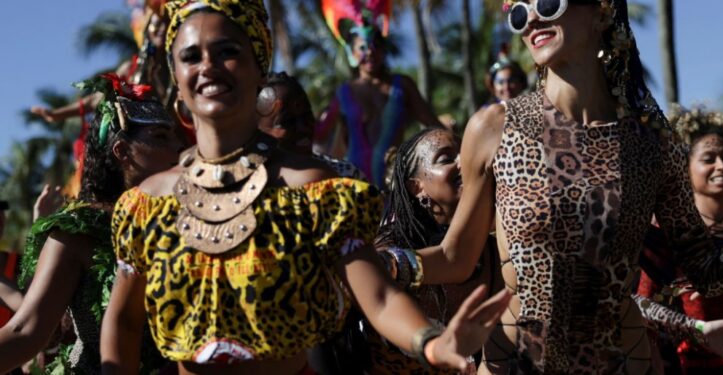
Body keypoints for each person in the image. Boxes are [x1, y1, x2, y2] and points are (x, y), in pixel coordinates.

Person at [100, 1, 509, 374]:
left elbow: (379, 298)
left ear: (258, 65)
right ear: (176, 75)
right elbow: (123, 321)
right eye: (191, 56)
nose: (207, 66)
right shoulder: (146, 206)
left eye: (227, 51)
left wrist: (432, 343)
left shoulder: (314, 191)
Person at [407, 0, 723, 373]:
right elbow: (457, 258)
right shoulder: (495, 128)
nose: (531, 19)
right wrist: (384, 263)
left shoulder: (653, 144)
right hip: (518, 364)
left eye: (549, 3)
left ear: (602, 11)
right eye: (519, 12)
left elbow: (705, 267)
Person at [0, 74, 183, 373]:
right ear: (122, 152)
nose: (177, 147)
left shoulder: (192, 220)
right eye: (161, 137)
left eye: (176, 136)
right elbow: (25, 332)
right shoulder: (79, 229)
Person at [361, 128, 503, 374]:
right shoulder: (390, 248)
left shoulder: (493, 245)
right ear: (417, 188)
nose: (463, 161)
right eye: (446, 158)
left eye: (465, 153)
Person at [638, 106, 723, 373]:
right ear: (684, 168)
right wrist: (696, 330)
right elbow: (642, 307)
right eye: (709, 158)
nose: (721, 165)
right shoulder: (668, 237)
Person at [315, 0, 448, 188]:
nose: (370, 52)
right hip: (356, 185)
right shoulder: (344, 93)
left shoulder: (402, 85)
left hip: (394, 179)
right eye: (362, 47)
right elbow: (319, 133)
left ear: (384, 50)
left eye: (376, 45)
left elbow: (431, 123)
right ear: (351, 53)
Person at [257, 71, 366, 180]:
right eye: (288, 121)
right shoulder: (247, 186)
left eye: (307, 115)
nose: (303, 127)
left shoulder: (345, 176)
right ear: (257, 129)